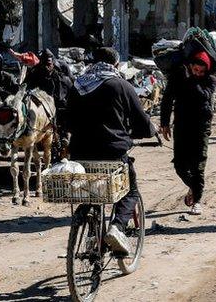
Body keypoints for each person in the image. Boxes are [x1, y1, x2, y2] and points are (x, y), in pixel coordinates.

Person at [63, 47, 156, 256]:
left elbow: (67, 120)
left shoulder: (78, 86)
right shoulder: (121, 85)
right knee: (130, 190)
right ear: (115, 64)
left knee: (89, 194)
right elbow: (141, 120)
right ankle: (117, 228)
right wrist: (148, 131)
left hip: (80, 154)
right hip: (112, 153)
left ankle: (90, 238)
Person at [159, 51, 216, 215]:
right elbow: (167, 98)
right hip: (182, 126)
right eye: (196, 70)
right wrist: (164, 122)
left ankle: (197, 201)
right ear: (191, 66)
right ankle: (194, 187)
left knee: (198, 165)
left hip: (201, 128)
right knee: (179, 165)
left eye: (201, 72)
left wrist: (191, 80)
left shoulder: (211, 81)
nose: (198, 74)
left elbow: (203, 95)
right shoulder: (179, 77)